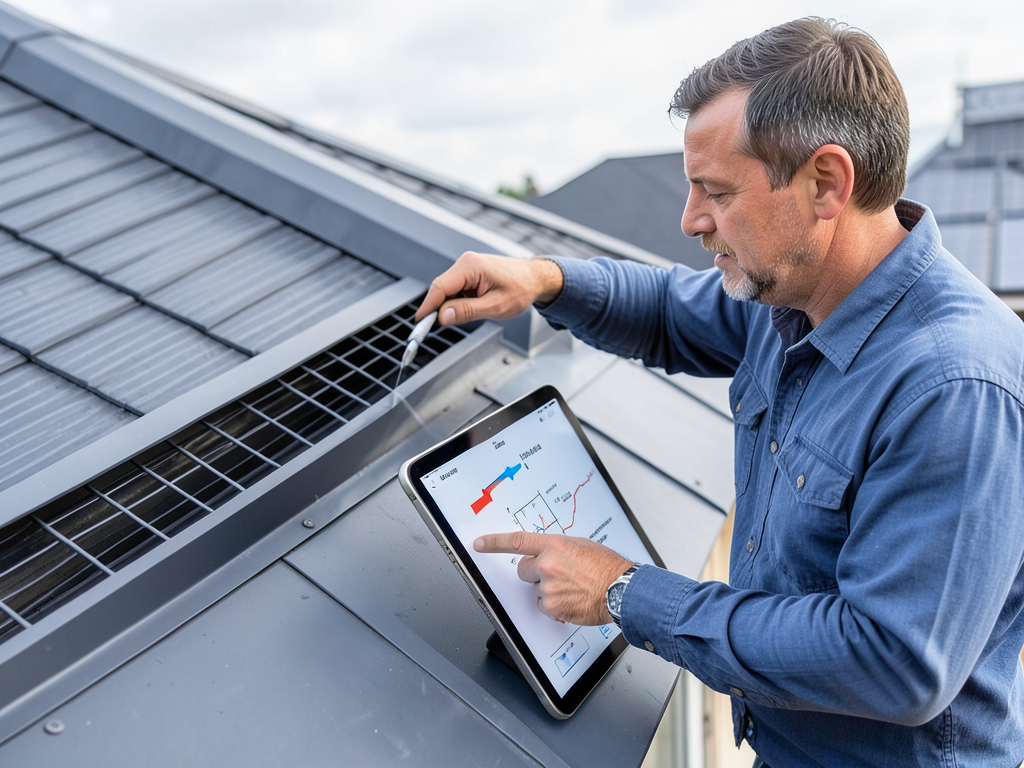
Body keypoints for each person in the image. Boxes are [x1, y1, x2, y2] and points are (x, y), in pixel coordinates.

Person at [414, 17, 1024, 767]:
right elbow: (669, 309)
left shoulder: (954, 386)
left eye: (717, 191)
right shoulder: (793, 295)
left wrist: (624, 592)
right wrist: (546, 279)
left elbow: (892, 660)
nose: (690, 220)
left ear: (826, 183)